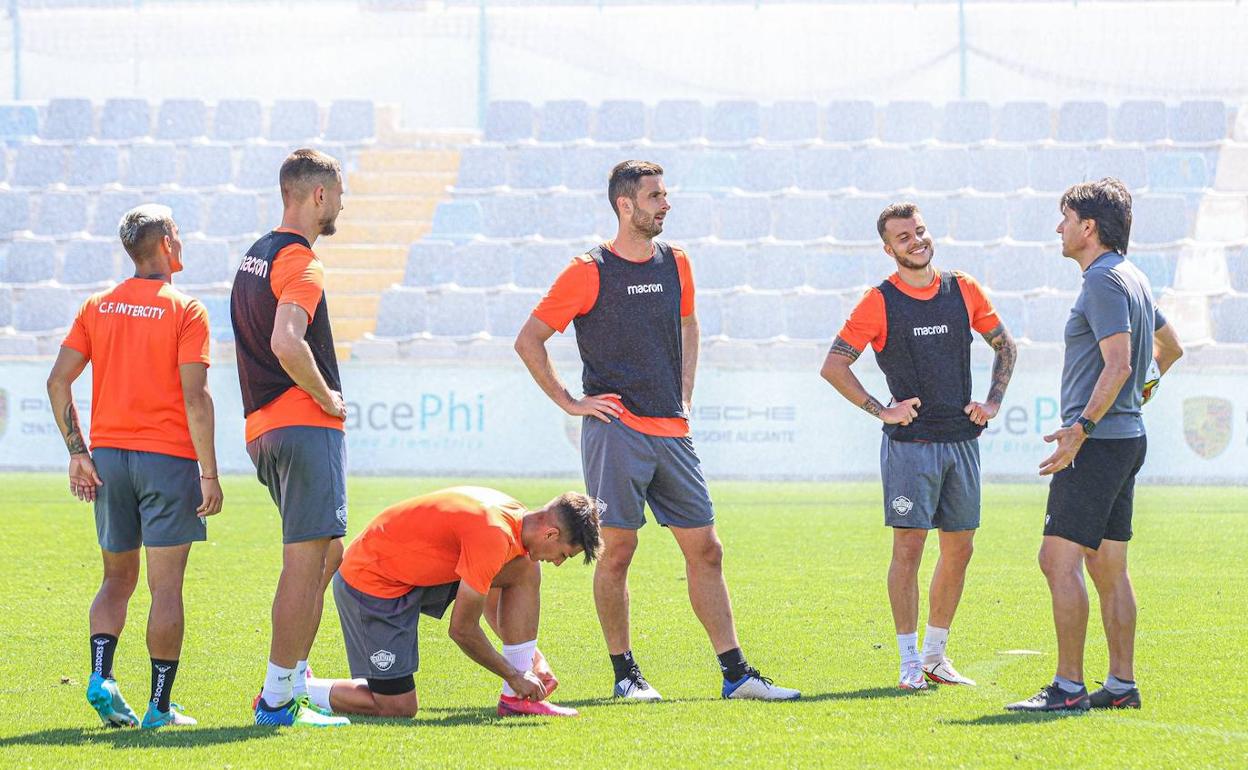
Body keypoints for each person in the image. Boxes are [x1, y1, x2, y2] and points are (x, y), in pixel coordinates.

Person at [514, 160, 799, 702]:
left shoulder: (677, 262)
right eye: (655, 196)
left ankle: (736, 675)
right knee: (618, 550)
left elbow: (689, 325)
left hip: (673, 430)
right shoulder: (587, 270)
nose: (665, 204)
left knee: (707, 549)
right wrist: (571, 402)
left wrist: (687, 394)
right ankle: (626, 676)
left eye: (665, 195)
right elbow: (529, 339)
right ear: (626, 205)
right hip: (616, 431)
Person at [821, 202, 1017, 691]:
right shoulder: (878, 301)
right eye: (904, 237)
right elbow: (834, 366)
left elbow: (1005, 346)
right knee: (908, 549)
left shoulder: (962, 288)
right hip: (910, 446)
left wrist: (992, 402)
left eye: (920, 231)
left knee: (960, 548)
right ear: (889, 249)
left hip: (962, 442)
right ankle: (909, 662)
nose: (916, 241)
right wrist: (880, 408)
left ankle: (935, 656)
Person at [1007, 178, 1183, 712]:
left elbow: (1121, 363)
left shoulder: (1103, 282)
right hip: (1125, 437)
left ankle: (1066, 688)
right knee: (1108, 567)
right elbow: (1170, 350)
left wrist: (1081, 426)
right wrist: (1137, 396)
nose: (1058, 228)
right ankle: (1122, 686)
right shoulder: (1134, 277)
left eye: (1064, 218)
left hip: (1099, 443)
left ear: (1088, 227)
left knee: (1056, 561)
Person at [46, 204, 224, 729]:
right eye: (180, 233)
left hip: (109, 462)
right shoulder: (186, 309)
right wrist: (209, 473)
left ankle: (102, 676)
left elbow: (58, 381)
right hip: (167, 462)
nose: (184, 241)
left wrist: (79, 452)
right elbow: (197, 398)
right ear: (167, 243)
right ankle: (160, 709)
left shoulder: (97, 305)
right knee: (165, 589)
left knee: (115, 580)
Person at [230, 148, 351, 727]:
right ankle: (278, 699)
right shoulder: (302, 260)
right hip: (302, 422)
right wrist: (327, 396)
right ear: (319, 195)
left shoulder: (253, 255)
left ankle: (292, 676)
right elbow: (285, 342)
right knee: (307, 561)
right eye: (340, 193)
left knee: (329, 552)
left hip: (264, 427)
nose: (343, 204)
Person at [302, 487, 601, 718]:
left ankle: (515, 699)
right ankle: (299, 689)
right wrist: (513, 673)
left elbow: (490, 596)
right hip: (371, 584)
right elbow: (462, 630)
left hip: (415, 575)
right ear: (551, 533)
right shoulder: (494, 534)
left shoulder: (517, 520)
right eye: (564, 554)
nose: (559, 563)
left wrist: (531, 661)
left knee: (524, 566)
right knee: (397, 707)